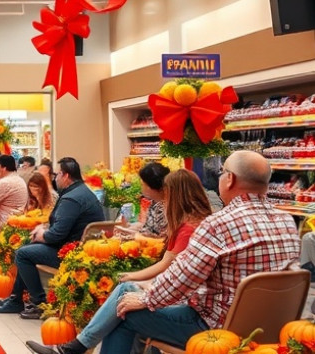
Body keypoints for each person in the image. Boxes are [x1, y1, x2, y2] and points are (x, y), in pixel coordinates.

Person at [92, 151, 299, 353]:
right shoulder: (287, 221)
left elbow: (182, 278)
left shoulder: (219, 224)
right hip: (272, 329)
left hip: (217, 331)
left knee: (124, 312)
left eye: (221, 172)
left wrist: (146, 299)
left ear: (230, 179)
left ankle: (78, 346)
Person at [25, 168, 213, 354]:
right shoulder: (198, 224)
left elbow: (173, 274)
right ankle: (75, 347)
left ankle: (77, 346)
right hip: (193, 303)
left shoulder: (188, 229)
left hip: (191, 309)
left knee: (124, 299)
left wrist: (141, 286)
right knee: (124, 305)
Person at [0, 157, 105, 318]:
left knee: (23, 253)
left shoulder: (71, 198)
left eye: (57, 174)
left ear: (65, 176)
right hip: (79, 249)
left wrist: (42, 234)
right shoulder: (83, 192)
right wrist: (43, 229)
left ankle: (39, 302)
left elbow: (56, 235)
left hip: (69, 253)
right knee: (26, 247)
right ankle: (16, 299)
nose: (54, 177)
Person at [135, 162, 170, 238]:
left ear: (150, 186)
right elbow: (147, 230)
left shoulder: (167, 209)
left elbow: (160, 238)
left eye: (143, 184)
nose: (141, 187)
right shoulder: (154, 203)